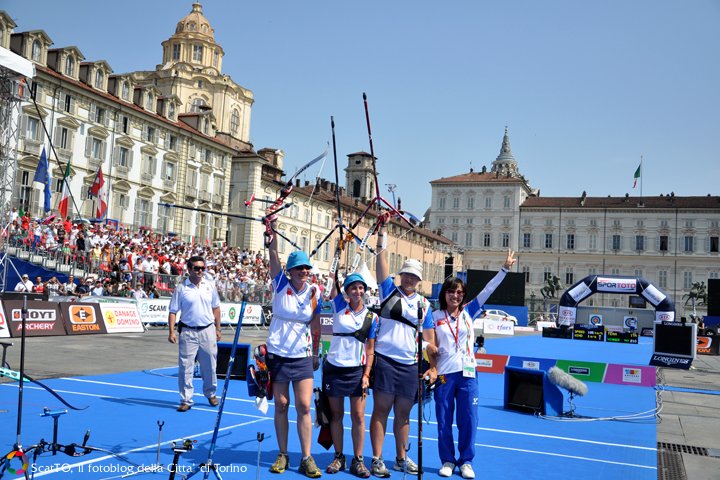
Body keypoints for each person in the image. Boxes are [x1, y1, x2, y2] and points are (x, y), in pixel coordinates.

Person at [432, 249, 516, 479]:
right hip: (444, 374)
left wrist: (504, 269)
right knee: (444, 419)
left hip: (468, 375)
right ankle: (448, 460)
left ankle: (466, 461)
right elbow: (426, 342)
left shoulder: (469, 311)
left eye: (459, 292)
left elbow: (488, 290)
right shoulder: (434, 316)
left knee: (469, 419)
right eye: (451, 292)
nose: (455, 296)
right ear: (444, 293)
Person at [369, 224, 436, 477]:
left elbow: (429, 341)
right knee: (381, 410)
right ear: (401, 275)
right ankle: (377, 458)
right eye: (406, 275)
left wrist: (433, 367)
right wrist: (382, 233)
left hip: (409, 365)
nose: (409, 279)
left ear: (419, 280)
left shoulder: (425, 305)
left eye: (414, 276)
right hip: (385, 361)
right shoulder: (387, 291)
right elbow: (381, 259)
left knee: (404, 414)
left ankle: (400, 457)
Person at [266, 217, 322, 478]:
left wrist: (316, 352)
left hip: (302, 356)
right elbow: (273, 256)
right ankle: (283, 453)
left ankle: (307, 457)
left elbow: (316, 325)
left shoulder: (314, 292)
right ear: (290, 270)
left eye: (306, 268)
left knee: (304, 406)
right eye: (299, 268)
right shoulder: (280, 284)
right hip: (278, 353)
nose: (303, 271)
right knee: (281, 404)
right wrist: (272, 231)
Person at [323, 273, 377, 478]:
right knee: (336, 416)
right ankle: (339, 457)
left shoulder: (371, 317)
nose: (357, 291)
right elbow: (333, 283)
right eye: (353, 288)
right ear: (346, 291)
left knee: (359, 416)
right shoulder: (339, 306)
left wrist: (366, 375)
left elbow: (370, 350)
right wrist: (334, 270)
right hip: (334, 369)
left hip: (357, 371)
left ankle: (358, 460)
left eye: (361, 287)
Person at [167, 255, 222, 412]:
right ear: (189, 269)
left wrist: (218, 329)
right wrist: (171, 331)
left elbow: (216, 308)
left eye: (203, 268)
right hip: (188, 331)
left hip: (207, 330)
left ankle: (211, 393)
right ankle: (186, 399)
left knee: (210, 365)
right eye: (197, 268)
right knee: (186, 367)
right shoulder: (181, 288)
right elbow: (173, 311)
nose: (200, 271)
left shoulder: (209, 286)